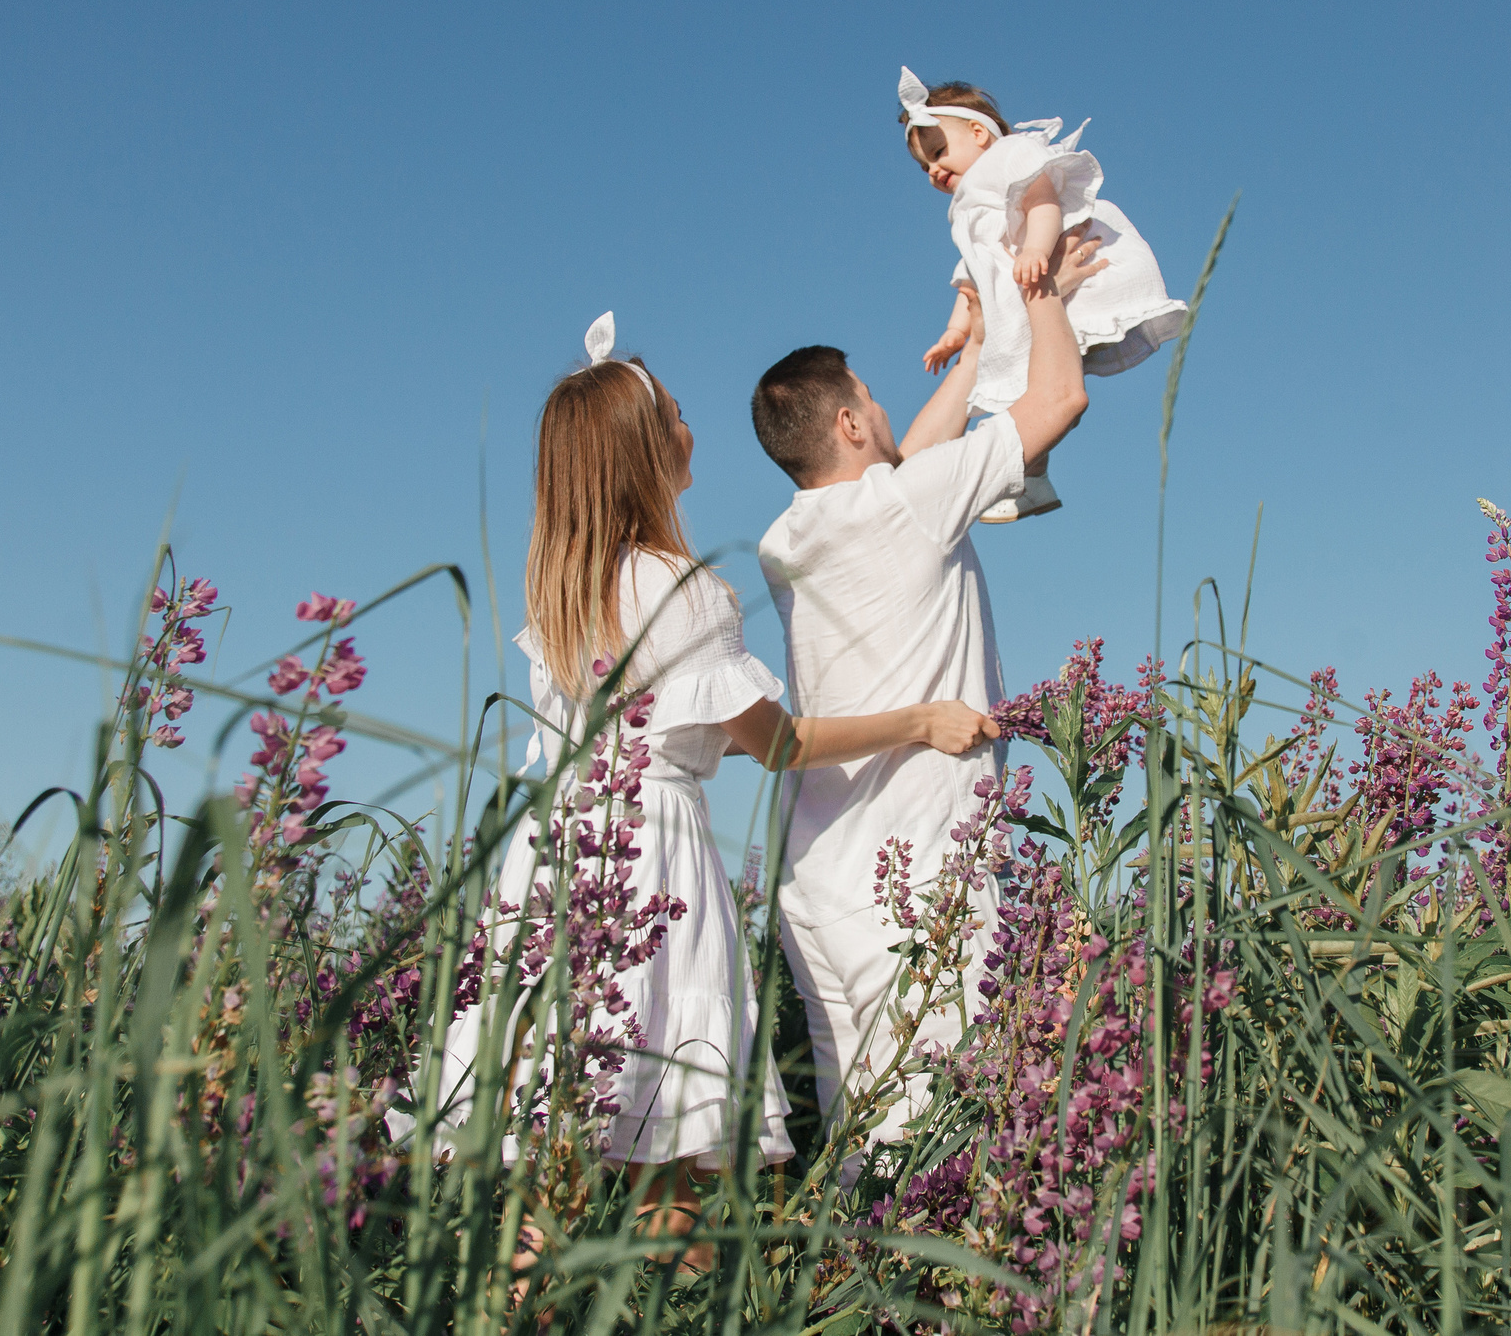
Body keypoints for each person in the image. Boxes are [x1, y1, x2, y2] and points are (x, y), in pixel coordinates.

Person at [435, 312, 998, 1260]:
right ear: (650, 449)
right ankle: (676, 1300)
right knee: (679, 1158)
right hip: (650, 863)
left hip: (558, 856)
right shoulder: (684, 586)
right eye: (682, 415)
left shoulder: (563, 593)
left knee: (544, 1154)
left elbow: (662, 731)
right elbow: (777, 744)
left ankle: (512, 1311)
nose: (695, 430)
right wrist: (919, 717)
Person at [749, 235, 1098, 1142]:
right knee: (949, 1143)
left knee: (863, 1150)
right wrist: (1045, 290)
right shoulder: (910, 502)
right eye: (869, 395)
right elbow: (1060, 399)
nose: (883, 402)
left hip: (819, 888)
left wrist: (979, 345)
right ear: (852, 424)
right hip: (922, 872)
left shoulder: (784, 541)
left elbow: (900, 473)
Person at [900, 66, 1188, 521]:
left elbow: (1043, 200)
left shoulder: (1009, 156)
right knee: (1032, 394)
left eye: (938, 153)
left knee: (1044, 392)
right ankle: (1031, 478)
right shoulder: (969, 208)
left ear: (979, 133)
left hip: (1055, 268)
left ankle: (1028, 477)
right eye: (924, 167)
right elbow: (975, 278)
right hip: (1027, 290)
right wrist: (956, 333)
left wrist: (1035, 247)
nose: (934, 171)